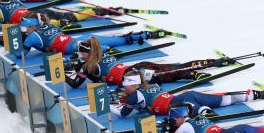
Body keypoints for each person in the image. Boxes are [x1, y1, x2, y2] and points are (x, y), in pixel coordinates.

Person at [109, 72, 264, 119]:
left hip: (178, 107)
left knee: (201, 108)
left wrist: (110, 107)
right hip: (186, 96)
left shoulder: (134, 95)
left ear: (133, 85)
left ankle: (205, 112)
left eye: (126, 85)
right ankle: (255, 94)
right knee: (224, 100)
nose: (125, 88)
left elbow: (123, 114)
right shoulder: (151, 85)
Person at [63, 38, 217, 89]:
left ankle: (193, 73)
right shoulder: (99, 52)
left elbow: (76, 83)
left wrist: (63, 73)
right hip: (135, 68)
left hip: (133, 75)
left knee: (169, 75)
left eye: (82, 52)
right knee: (174, 69)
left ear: (89, 53)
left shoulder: (89, 66)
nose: (80, 55)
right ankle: (210, 62)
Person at [19, 16, 170, 56]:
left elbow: (21, 54)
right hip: (77, 40)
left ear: (32, 26)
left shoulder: (32, 37)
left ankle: (105, 51)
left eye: (26, 28)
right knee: (115, 40)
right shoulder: (50, 25)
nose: (25, 30)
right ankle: (145, 35)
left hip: (74, 46)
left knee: (104, 46)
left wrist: (21, 40)